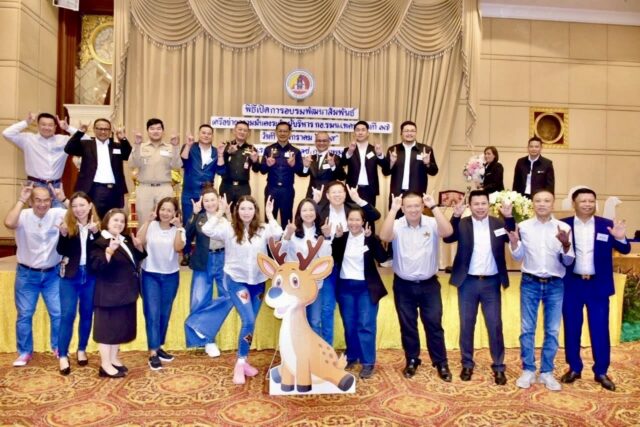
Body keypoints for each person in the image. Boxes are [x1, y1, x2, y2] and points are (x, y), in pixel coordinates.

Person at [200, 195, 283, 384]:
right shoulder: (228, 228)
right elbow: (207, 229)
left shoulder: (262, 229)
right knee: (249, 319)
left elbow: (278, 234)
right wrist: (220, 212)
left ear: (255, 211)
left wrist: (270, 215)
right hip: (237, 281)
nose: (246, 212)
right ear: (237, 211)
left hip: (258, 283)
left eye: (250, 209)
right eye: (243, 208)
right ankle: (240, 363)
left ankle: (244, 361)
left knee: (250, 324)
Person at [559, 188, 630, 391]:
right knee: (572, 328)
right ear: (574, 203)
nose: (588, 204)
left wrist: (621, 238)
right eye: (583, 201)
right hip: (572, 285)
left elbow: (624, 249)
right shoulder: (563, 225)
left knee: (600, 329)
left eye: (591, 200)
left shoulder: (606, 224)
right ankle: (574, 368)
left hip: (597, 286)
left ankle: (601, 371)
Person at [442, 190, 515, 385]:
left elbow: (511, 237)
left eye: (483, 203)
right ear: (470, 206)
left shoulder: (498, 223)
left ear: (488, 205)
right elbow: (448, 238)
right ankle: (467, 364)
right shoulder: (462, 223)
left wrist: (509, 218)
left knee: (495, 325)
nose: (480, 207)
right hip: (468, 282)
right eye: (476, 204)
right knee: (467, 324)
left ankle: (498, 366)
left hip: (491, 282)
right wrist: (455, 216)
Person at [379, 192, 454, 381]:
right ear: (403, 208)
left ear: (422, 206)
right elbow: (384, 236)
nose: (413, 210)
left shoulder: (431, 222)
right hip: (403, 286)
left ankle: (441, 362)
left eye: (417, 206)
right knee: (408, 325)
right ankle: (412, 359)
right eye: (409, 206)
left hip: (429, 285)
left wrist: (434, 207)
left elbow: (448, 232)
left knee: (434, 324)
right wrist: (393, 210)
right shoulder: (397, 224)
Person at [508, 189, 574, 391]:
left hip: (555, 284)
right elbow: (518, 257)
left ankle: (546, 372)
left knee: (552, 330)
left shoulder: (564, 227)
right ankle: (528, 369)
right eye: (538, 201)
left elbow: (568, 261)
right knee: (527, 329)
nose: (542, 204)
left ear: (553, 204)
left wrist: (566, 245)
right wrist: (514, 243)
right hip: (530, 282)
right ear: (533, 204)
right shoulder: (524, 226)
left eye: (546, 200)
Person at [4, 184, 68, 367]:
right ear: (31, 201)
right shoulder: (23, 215)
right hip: (27, 275)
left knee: (58, 313)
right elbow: (8, 223)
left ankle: (58, 348)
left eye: (46, 200)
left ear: (51, 201)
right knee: (24, 315)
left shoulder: (58, 213)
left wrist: (63, 199)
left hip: (52, 274)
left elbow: (83, 213)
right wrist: (21, 199)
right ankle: (25, 352)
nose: (42, 204)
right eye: (38, 200)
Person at [315, 181, 381, 344]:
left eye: (340, 191)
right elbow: (303, 218)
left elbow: (375, 216)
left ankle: (357, 350)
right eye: (333, 192)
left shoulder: (353, 208)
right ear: (327, 195)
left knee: (357, 316)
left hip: (348, 265)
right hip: (327, 263)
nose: (337, 195)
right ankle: (327, 349)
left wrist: (358, 199)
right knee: (327, 308)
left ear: (345, 194)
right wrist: (314, 201)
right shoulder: (320, 210)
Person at [90, 209, 146, 378]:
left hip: (125, 292)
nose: (119, 224)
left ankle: (113, 359)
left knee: (118, 329)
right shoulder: (100, 241)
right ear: (107, 221)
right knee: (107, 331)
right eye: (115, 220)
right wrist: (109, 251)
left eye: (122, 221)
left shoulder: (125, 239)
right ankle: (105, 364)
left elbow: (134, 260)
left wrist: (139, 247)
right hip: (108, 294)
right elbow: (97, 266)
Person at [332, 209, 388, 379]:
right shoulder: (342, 236)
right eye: (351, 219)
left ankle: (368, 362)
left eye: (357, 220)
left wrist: (372, 239)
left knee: (365, 324)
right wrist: (337, 239)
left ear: (363, 222)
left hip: (366, 287)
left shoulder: (369, 237)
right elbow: (333, 258)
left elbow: (383, 258)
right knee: (349, 324)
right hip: (345, 287)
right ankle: (352, 355)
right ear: (347, 220)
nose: (354, 223)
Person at [136, 197, 185, 370]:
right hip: (150, 274)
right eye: (162, 209)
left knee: (164, 313)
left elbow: (178, 248)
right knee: (152, 313)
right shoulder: (151, 226)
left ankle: (158, 346)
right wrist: (147, 221)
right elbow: (139, 241)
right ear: (158, 210)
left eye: (169, 210)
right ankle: (153, 353)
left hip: (171, 276)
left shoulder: (178, 230)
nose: (165, 213)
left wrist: (179, 228)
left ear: (175, 213)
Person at [56, 192, 100, 376]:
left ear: (89, 206)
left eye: (82, 205)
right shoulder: (68, 225)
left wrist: (96, 234)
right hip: (70, 276)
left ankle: (82, 349)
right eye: (74, 206)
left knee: (87, 314)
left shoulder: (97, 226)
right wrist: (63, 234)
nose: (78, 209)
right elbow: (61, 250)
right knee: (67, 315)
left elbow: (102, 250)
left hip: (90, 276)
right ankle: (63, 355)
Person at [184, 187, 231, 357]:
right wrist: (194, 213)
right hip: (204, 260)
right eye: (206, 200)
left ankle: (197, 323)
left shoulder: (225, 216)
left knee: (230, 296)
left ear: (218, 200)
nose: (210, 203)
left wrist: (228, 213)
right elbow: (187, 235)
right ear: (202, 203)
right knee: (199, 299)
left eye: (213, 199)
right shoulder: (199, 217)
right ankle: (208, 341)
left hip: (224, 259)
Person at [280, 198, 332, 339]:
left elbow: (325, 257)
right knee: (295, 321)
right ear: (299, 213)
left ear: (316, 212)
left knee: (315, 321)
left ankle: (314, 351)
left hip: (314, 284)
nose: (308, 213)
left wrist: (327, 237)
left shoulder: (322, 231)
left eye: (311, 210)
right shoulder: (291, 229)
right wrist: (287, 236)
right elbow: (281, 253)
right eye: (304, 210)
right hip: (295, 285)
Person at [3, 112, 76, 207]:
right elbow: (7, 133)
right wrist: (26, 122)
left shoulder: (64, 140)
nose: (47, 127)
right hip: (35, 185)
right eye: (43, 124)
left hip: (56, 186)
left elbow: (85, 139)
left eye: (50, 125)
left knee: (59, 214)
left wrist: (68, 128)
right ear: (37, 125)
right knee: (36, 214)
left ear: (55, 127)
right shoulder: (28, 139)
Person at [65, 119, 132, 218]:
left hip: (114, 190)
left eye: (106, 129)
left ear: (110, 131)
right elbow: (69, 149)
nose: (103, 132)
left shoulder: (116, 146)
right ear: (94, 130)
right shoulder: (86, 144)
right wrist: (80, 132)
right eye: (100, 129)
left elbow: (128, 155)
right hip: (93, 189)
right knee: (94, 218)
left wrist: (123, 139)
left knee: (111, 219)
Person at [180, 124, 226, 266]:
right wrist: (187, 146)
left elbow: (221, 170)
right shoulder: (190, 147)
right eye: (203, 133)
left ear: (212, 136)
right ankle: (186, 253)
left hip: (207, 194)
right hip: (189, 192)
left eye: (209, 133)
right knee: (188, 222)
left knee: (207, 222)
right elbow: (183, 161)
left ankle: (204, 252)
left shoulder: (215, 151)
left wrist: (220, 155)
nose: (206, 135)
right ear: (199, 134)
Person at [129, 118, 182, 223]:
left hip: (164, 188)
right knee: (144, 219)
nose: (155, 131)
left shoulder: (170, 147)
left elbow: (177, 166)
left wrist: (176, 147)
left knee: (166, 219)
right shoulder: (140, 146)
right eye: (152, 129)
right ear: (147, 131)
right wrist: (137, 145)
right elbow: (133, 164)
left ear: (163, 131)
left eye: (158, 128)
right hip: (144, 188)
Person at [258, 121, 304, 226]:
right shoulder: (268, 149)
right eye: (280, 131)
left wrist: (294, 165)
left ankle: (286, 237)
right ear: (276, 132)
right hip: (271, 189)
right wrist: (267, 165)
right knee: (269, 219)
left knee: (287, 220)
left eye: (285, 131)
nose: (282, 133)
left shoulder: (295, 151)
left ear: (290, 133)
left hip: (287, 190)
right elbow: (262, 170)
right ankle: (270, 238)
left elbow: (301, 172)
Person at [381, 120, 438, 200]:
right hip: (397, 193)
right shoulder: (393, 149)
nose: (409, 133)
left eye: (412, 131)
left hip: (417, 193)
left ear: (416, 133)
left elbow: (434, 172)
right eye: (406, 131)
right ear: (401, 133)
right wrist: (391, 163)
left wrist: (427, 163)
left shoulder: (426, 149)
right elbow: (385, 172)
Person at [340, 121, 385, 206]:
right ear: (354, 133)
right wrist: (349, 152)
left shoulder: (374, 149)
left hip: (369, 190)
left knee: (369, 213)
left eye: (363, 130)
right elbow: (341, 164)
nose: (360, 132)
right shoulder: (348, 149)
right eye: (358, 130)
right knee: (351, 213)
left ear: (368, 133)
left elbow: (386, 167)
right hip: (353, 189)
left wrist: (379, 154)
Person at [219, 121, 260, 206]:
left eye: (245, 130)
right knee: (225, 212)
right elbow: (219, 166)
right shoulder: (226, 146)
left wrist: (255, 161)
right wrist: (227, 153)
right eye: (240, 129)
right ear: (234, 131)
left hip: (243, 187)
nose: (242, 132)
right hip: (226, 186)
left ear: (248, 133)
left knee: (243, 211)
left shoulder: (252, 149)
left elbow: (256, 170)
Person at [300, 131, 344, 198]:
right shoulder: (310, 158)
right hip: (312, 195)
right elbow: (303, 175)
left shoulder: (335, 158)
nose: (321, 143)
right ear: (315, 142)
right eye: (319, 141)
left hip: (328, 196)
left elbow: (342, 177)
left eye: (324, 141)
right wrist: (305, 167)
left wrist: (333, 166)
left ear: (329, 143)